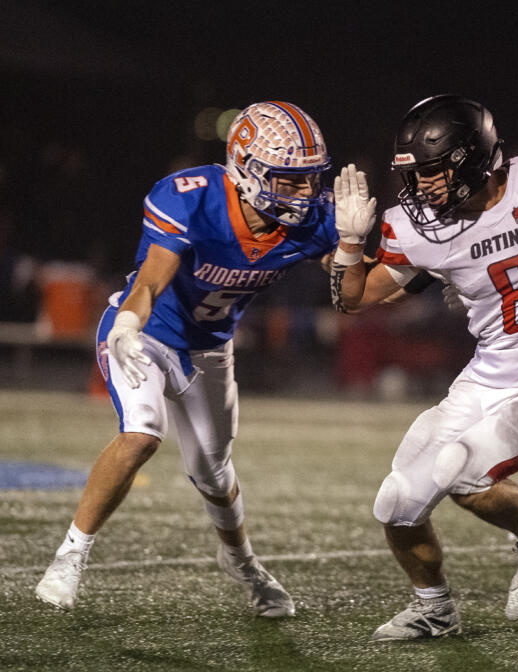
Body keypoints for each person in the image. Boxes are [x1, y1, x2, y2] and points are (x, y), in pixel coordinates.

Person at [34, 101, 340, 617]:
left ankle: (243, 563)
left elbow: (355, 293)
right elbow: (153, 276)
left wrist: (356, 249)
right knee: (143, 433)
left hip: (211, 347)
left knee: (214, 472)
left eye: (309, 180)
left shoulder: (315, 219)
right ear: (247, 169)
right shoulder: (191, 198)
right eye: (290, 180)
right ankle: (70, 554)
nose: (304, 193)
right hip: (147, 333)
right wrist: (129, 326)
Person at [331, 94, 518, 641]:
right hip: (486, 379)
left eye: (433, 171)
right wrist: (347, 243)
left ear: (472, 156)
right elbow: (353, 299)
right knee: (397, 503)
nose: (421, 187)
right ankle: (434, 608)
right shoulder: (414, 228)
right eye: (414, 174)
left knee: (463, 472)